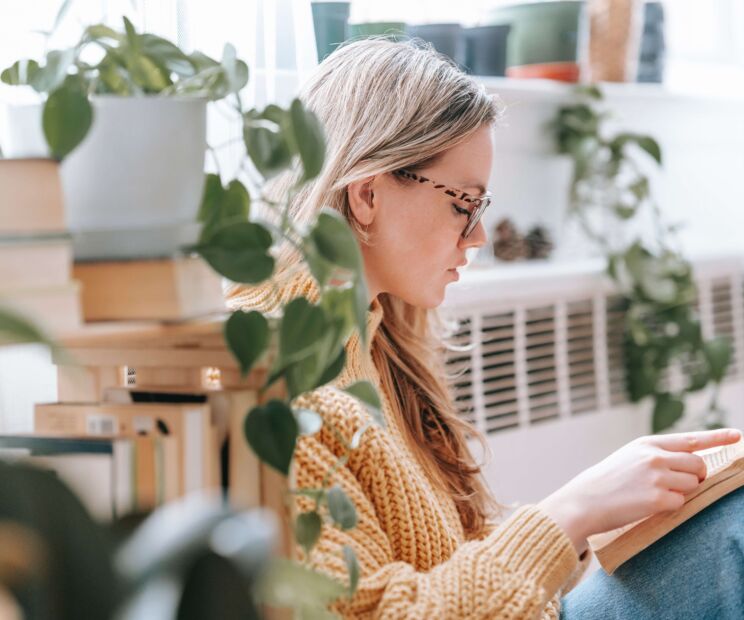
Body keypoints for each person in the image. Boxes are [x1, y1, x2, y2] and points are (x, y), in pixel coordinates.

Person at [228, 38, 744, 619]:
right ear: (367, 193)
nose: (477, 236)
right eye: (463, 203)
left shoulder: (376, 349)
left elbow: (453, 565)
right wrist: (571, 510)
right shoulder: (287, 385)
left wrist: (594, 509)